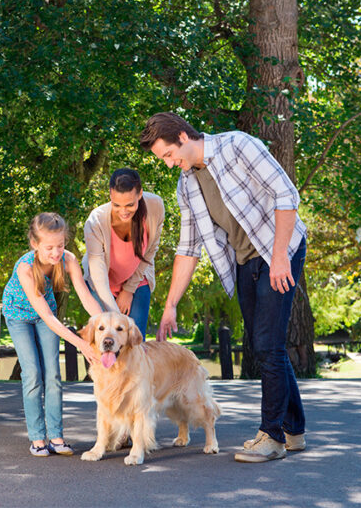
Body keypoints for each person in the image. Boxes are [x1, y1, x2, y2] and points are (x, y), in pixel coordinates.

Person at [139, 112, 308, 463]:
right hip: (245, 261)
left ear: (184, 136)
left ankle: (272, 437)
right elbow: (188, 247)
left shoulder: (237, 146)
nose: (170, 164)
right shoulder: (187, 184)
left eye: (169, 155)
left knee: (267, 345)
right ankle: (294, 430)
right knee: (265, 344)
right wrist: (171, 304)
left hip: (280, 249)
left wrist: (279, 258)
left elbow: (286, 194)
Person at [2, 212, 103, 457]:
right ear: (34, 244)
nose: (56, 253)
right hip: (18, 315)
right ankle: (37, 438)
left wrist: (104, 325)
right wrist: (83, 345)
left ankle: (56, 437)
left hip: (46, 313)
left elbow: (85, 295)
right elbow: (47, 318)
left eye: (60, 245)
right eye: (49, 247)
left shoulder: (67, 259)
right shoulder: (26, 268)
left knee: (53, 374)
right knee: (33, 373)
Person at [82, 168, 165, 338]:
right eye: (116, 205)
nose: (123, 211)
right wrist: (116, 316)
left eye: (130, 205)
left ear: (140, 193)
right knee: (107, 340)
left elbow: (150, 252)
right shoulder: (96, 221)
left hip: (137, 279)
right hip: (102, 285)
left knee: (134, 341)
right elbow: (98, 275)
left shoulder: (155, 206)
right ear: (110, 196)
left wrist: (128, 290)